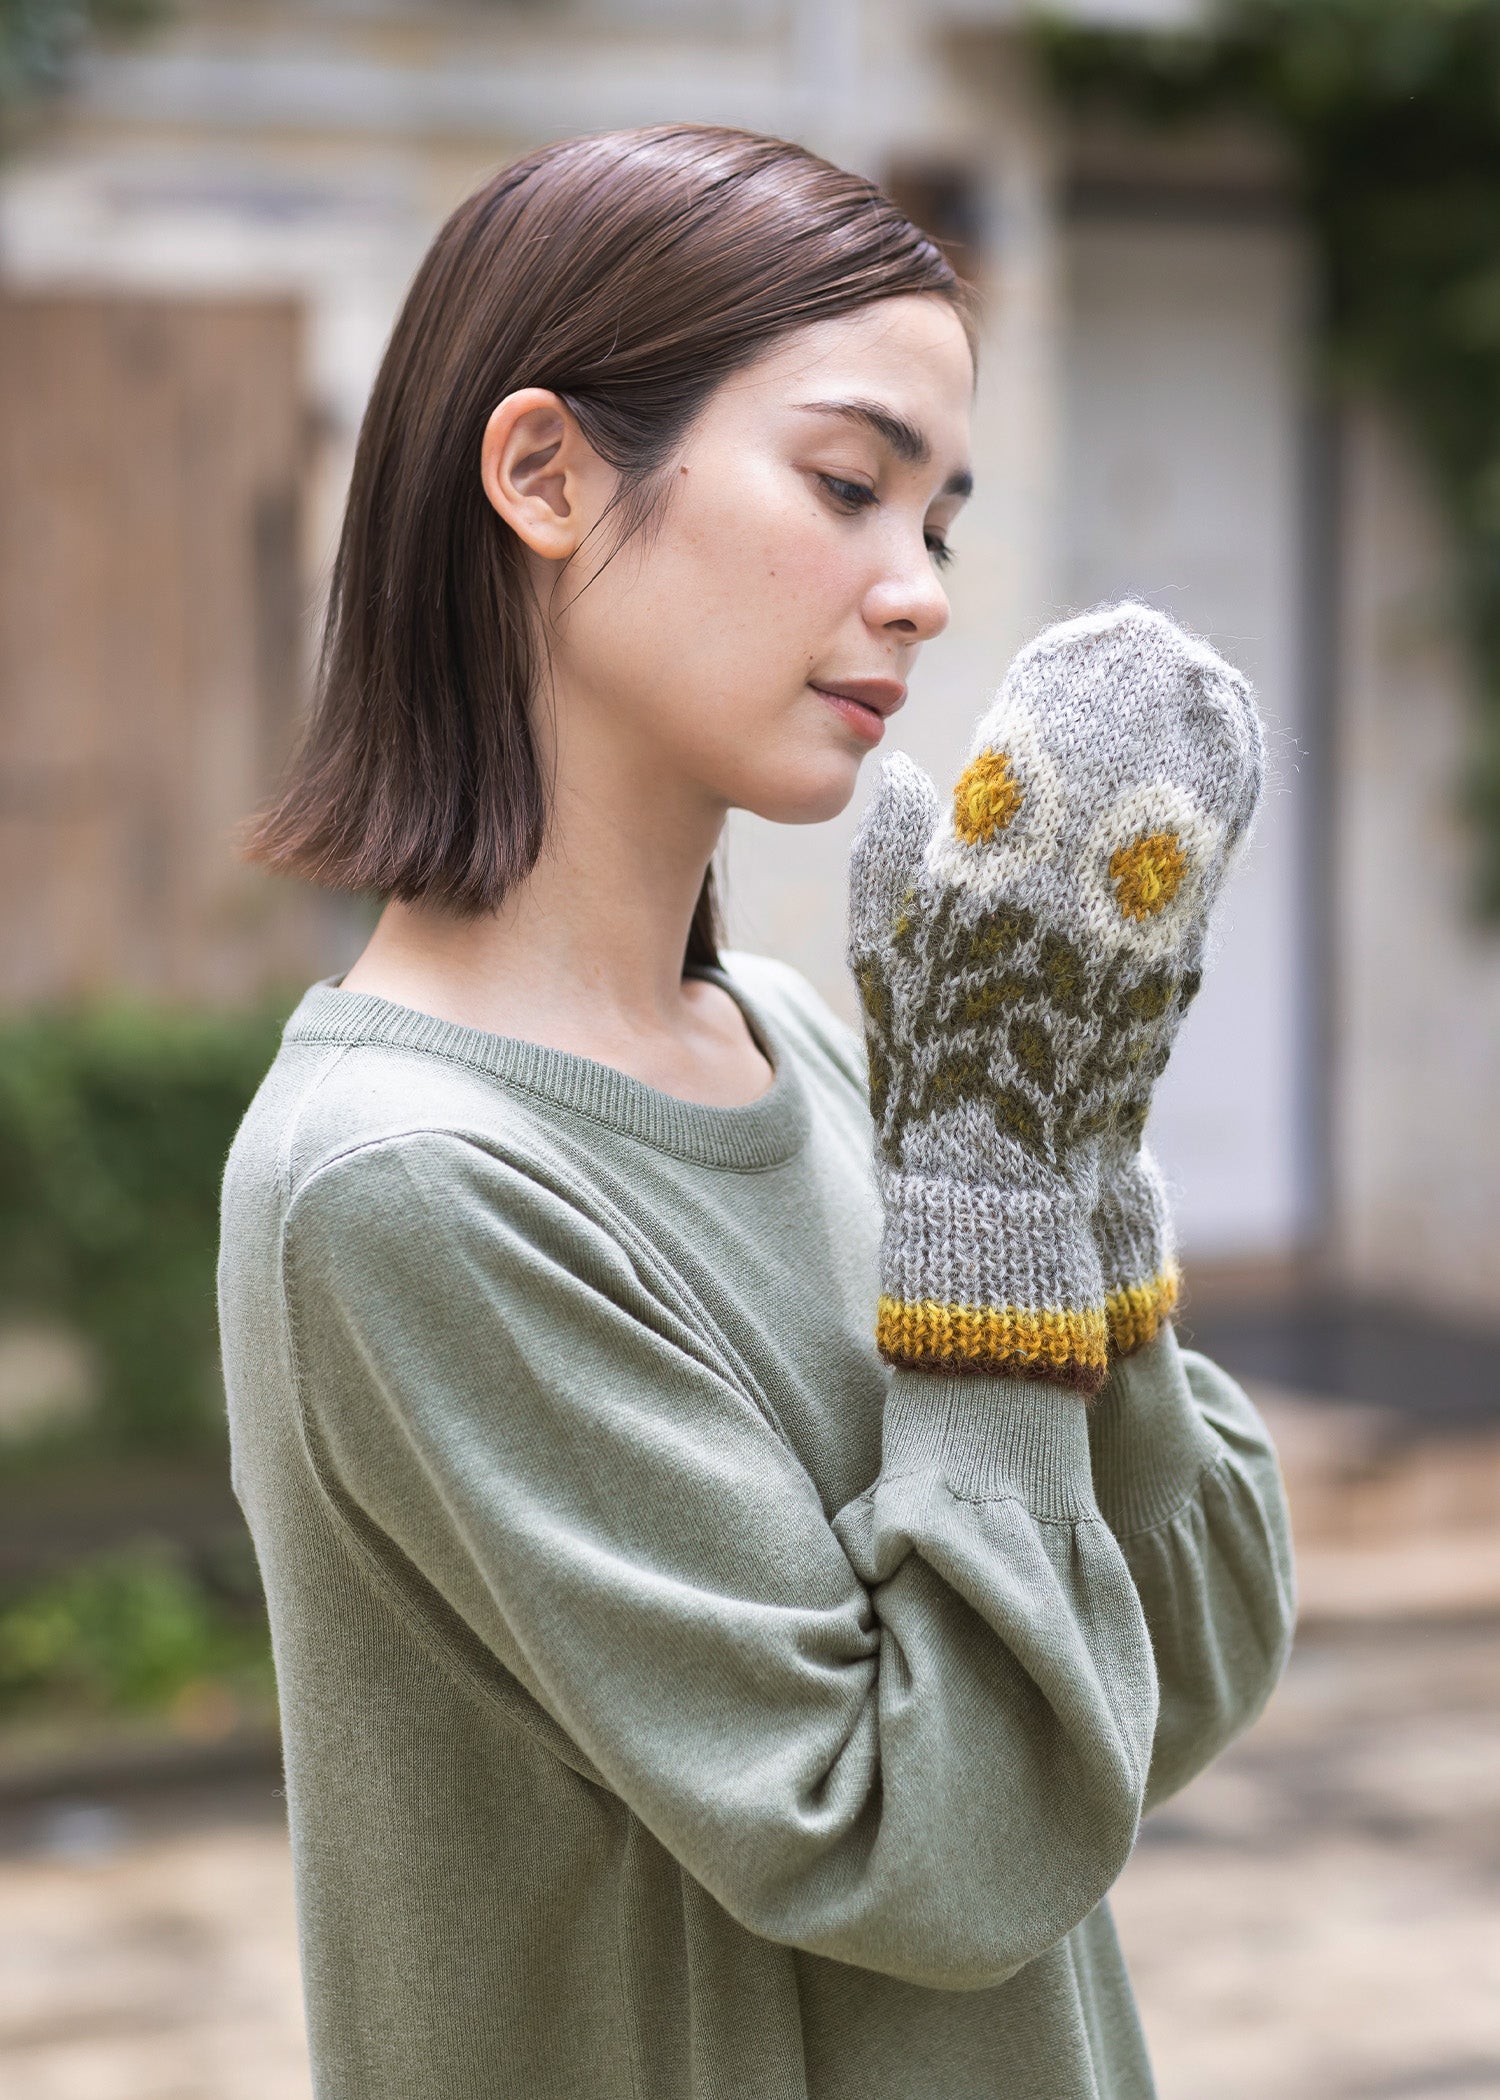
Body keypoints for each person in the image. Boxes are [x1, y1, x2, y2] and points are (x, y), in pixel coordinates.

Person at [218, 123, 1295, 2100]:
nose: (918, 594)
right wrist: (980, 1181)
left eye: (941, 523)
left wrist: (1063, 1153)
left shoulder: (811, 1044)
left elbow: (1180, 1659)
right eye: (846, 484)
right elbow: (940, 1852)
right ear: (543, 472)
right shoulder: (406, 1190)